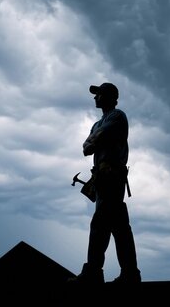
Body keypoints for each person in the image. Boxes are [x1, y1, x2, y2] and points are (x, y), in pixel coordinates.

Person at [68, 82, 141, 286]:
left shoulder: (118, 116)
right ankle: (129, 273)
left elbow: (96, 140)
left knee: (100, 224)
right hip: (101, 179)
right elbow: (86, 147)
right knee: (119, 227)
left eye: (98, 94)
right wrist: (93, 141)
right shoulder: (97, 123)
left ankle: (93, 271)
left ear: (110, 97)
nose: (95, 98)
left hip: (112, 177)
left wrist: (94, 141)